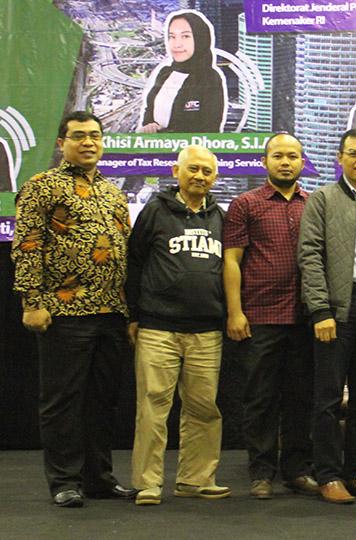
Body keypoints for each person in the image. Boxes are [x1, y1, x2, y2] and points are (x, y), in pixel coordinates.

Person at [11, 111, 137, 507]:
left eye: (95, 136)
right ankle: (64, 481)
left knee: (103, 401)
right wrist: (32, 302)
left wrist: (131, 312)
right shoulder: (42, 186)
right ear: (61, 143)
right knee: (63, 401)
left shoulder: (113, 192)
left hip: (110, 312)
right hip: (63, 312)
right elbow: (28, 245)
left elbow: (125, 253)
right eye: (78, 136)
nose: (88, 142)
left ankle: (98, 477)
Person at [126, 145, 229, 505]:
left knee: (204, 407)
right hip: (158, 327)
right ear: (176, 172)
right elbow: (134, 262)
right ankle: (148, 483)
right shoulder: (154, 210)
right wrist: (135, 316)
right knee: (153, 406)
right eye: (193, 169)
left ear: (214, 177)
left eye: (206, 171)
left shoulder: (221, 216)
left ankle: (195, 479)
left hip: (207, 330)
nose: (199, 176)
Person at [298, 129, 356, 504]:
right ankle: (327, 474)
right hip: (338, 309)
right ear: (340, 158)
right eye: (354, 153)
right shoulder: (322, 199)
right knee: (327, 397)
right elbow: (310, 256)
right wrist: (320, 309)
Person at [223, 133, 317, 500]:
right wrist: (235, 311)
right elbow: (231, 260)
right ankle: (261, 472)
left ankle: (297, 471)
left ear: (301, 161)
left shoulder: (315, 203)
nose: (285, 162)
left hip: (305, 316)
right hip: (260, 315)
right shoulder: (245, 204)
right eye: (278, 156)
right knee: (260, 400)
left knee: (300, 399)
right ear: (265, 162)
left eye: (293, 156)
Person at [138, 10, 227, 133]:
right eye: (172, 37)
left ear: (200, 39)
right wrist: (149, 126)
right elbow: (149, 111)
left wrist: (162, 133)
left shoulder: (210, 78)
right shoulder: (165, 73)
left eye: (185, 36)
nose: (176, 44)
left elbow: (208, 128)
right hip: (154, 147)